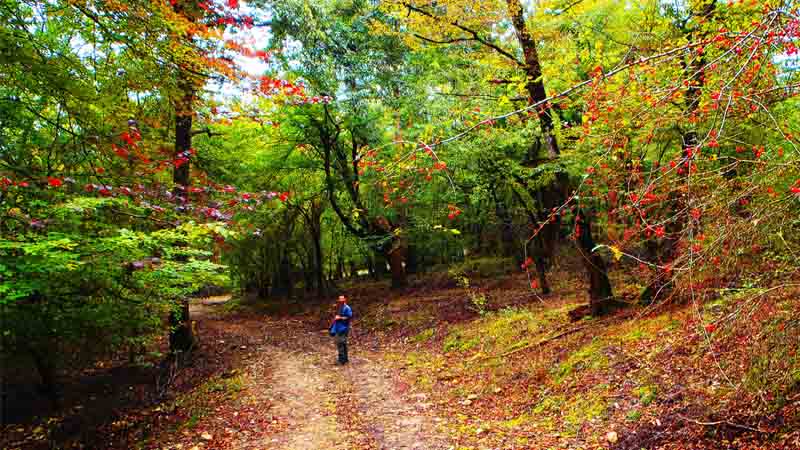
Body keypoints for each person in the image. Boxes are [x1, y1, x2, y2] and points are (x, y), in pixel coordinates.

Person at [330, 295, 353, 365]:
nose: (340, 300)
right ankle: (345, 359)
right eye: (339, 299)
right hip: (338, 327)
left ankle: (341, 361)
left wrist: (339, 318)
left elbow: (349, 317)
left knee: (340, 343)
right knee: (343, 343)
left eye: (342, 299)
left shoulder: (347, 308)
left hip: (344, 328)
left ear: (345, 299)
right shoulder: (340, 307)